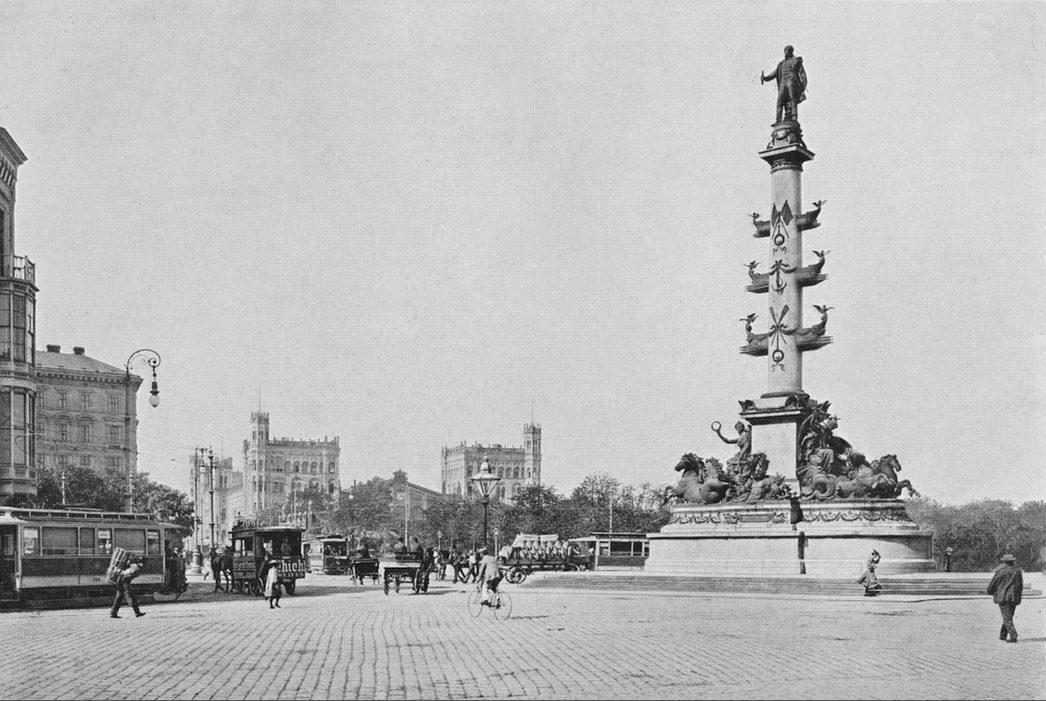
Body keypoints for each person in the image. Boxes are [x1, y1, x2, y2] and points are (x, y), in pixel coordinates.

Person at [761, 45, 808, 123]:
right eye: (785, 50)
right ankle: (778, 120)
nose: (786, 52)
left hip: (791, 81)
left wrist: (804, 83)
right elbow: (774, 73)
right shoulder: (781, 64)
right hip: (783, 82)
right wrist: (765, 78)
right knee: (780, 101)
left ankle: (794, 117)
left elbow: (802, 72)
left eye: (788, 50)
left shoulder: (796, 61)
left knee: (793, 99)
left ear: (791, 51)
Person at [987, 553, 1024, 643]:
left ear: (1004, 562)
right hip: (1014, 597)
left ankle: (1013, 635)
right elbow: (1020, 585)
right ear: (1012, 561)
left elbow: (993, 584)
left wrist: (990, 591)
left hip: (1003, 597)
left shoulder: (1000, 572)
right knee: (1008, 616)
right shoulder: (1018, 571)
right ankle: (1003, 635)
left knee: (1007, 617)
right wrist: (1018, 595)